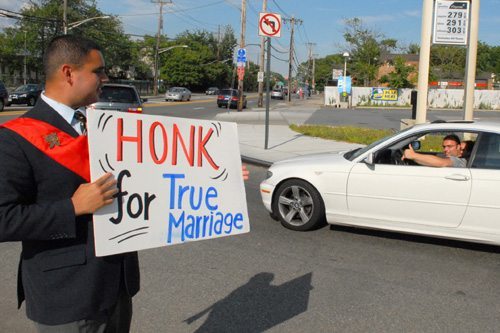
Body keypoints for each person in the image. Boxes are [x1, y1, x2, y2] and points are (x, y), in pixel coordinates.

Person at [0, 35, 140, 332]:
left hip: (117, 284)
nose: (105, 77)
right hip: (66, 295)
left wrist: (220, 176)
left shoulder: (102, 125)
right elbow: (3, 218)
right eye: (98, 70)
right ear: (68, 73)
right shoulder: (14, 138)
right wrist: (72, 208)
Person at [402, 134, 467, 167]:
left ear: (458, 147)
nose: (445, 149)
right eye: (444, 146)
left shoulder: (460, 161)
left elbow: (441, 163)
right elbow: (427, 161)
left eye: (449, 146)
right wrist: (412, 157)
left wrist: (413, 155)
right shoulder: (445, 156)